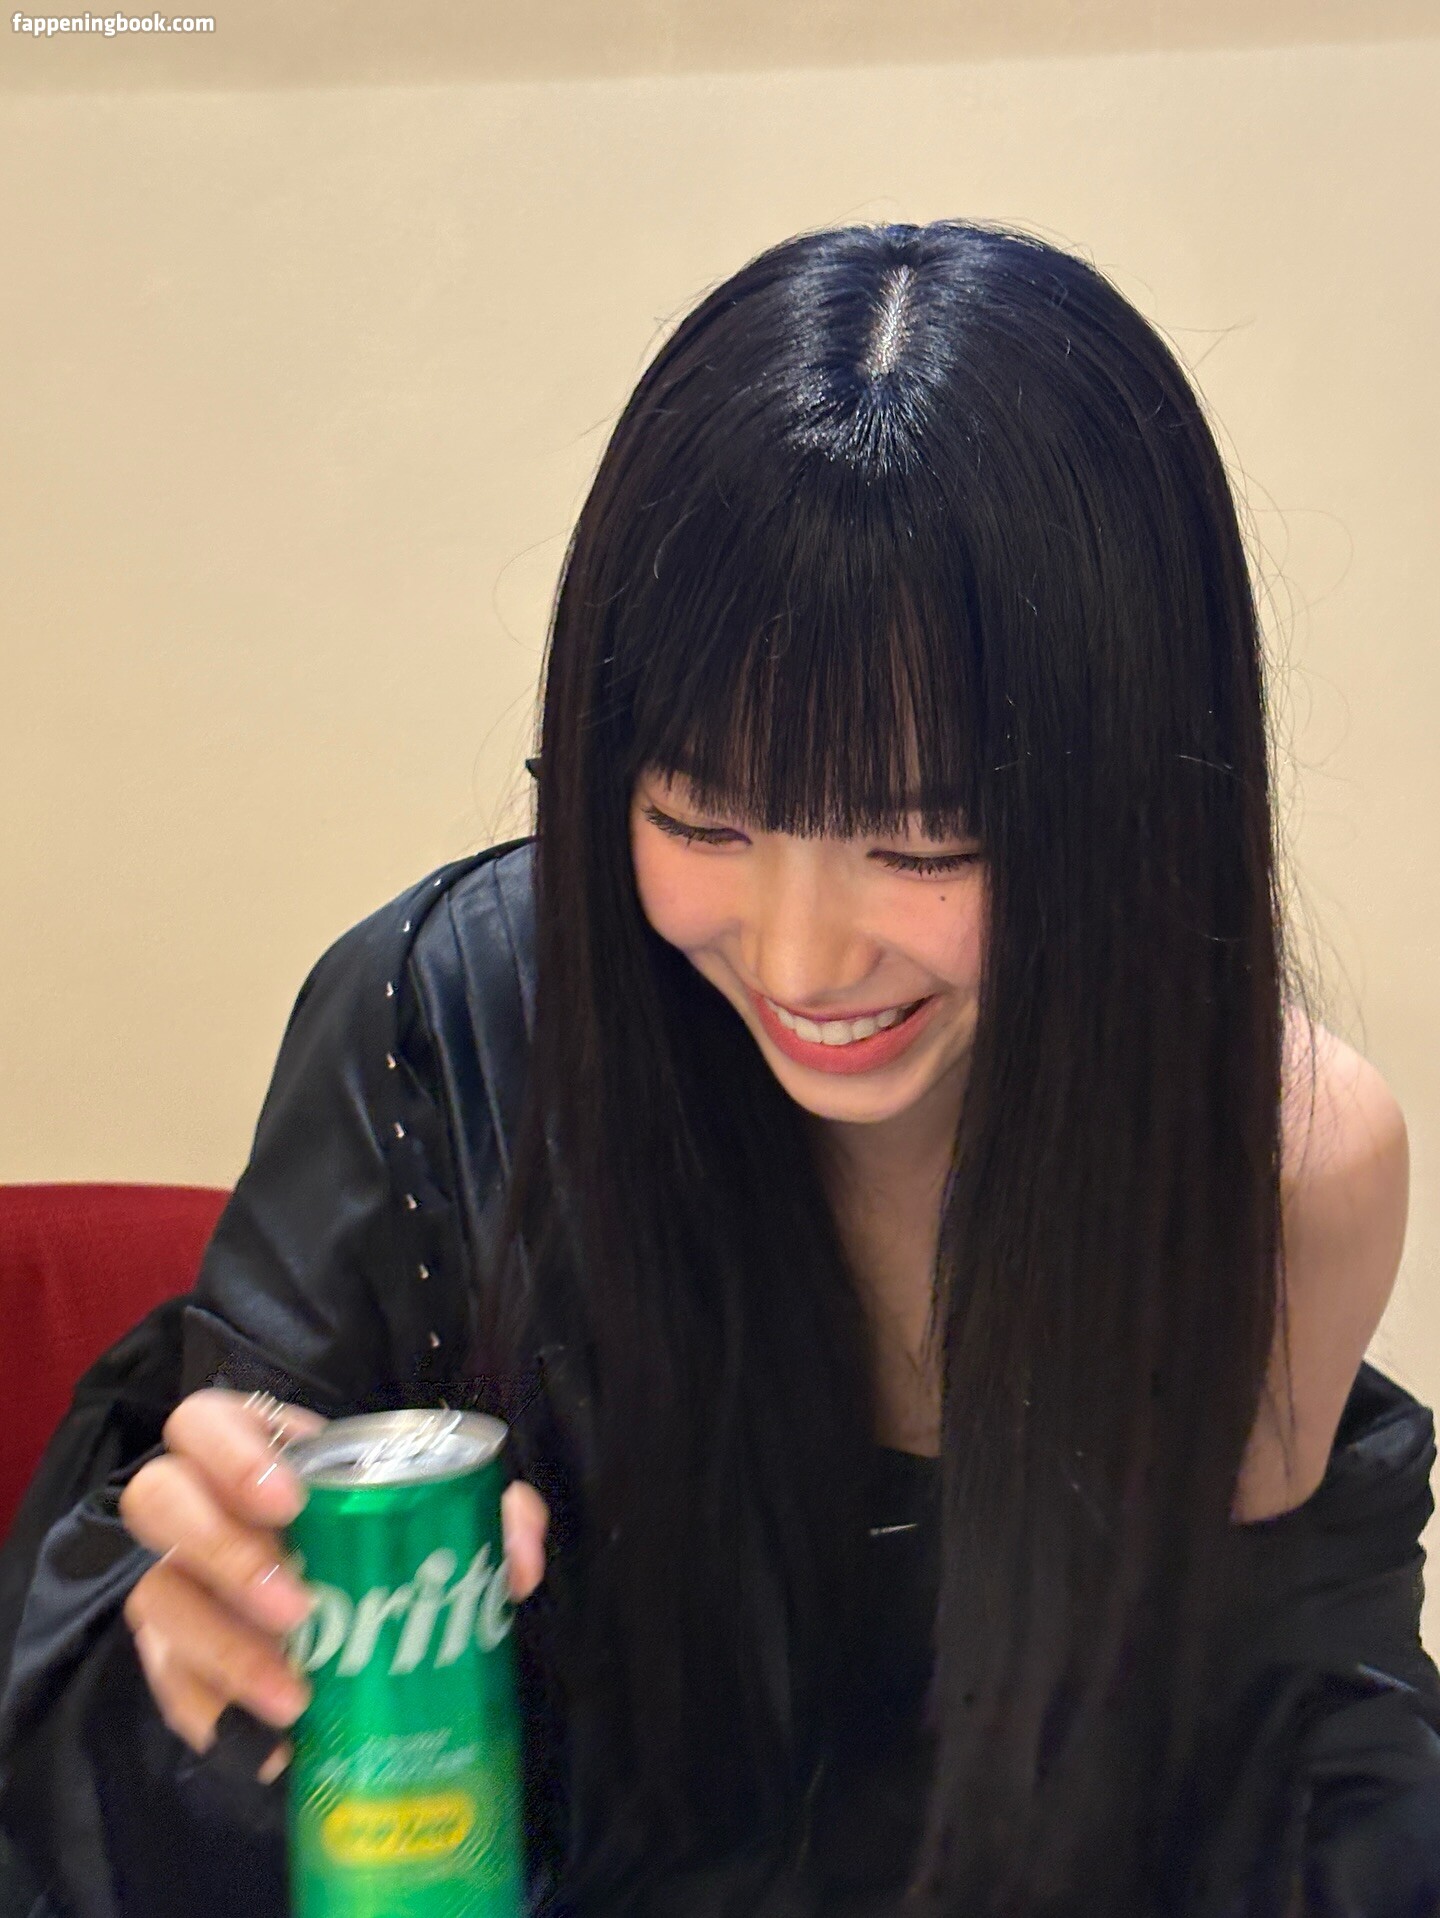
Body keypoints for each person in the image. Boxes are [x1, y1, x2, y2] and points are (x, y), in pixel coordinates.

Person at [2, 218, 1439, 1918]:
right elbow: (142, 1737)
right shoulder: (440, 1030)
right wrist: (204, 1642)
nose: (802, 958)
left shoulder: (1271, 1165)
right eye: (702, 818)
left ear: (1136, 797)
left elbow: (1281, 1773)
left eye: (921, 841)